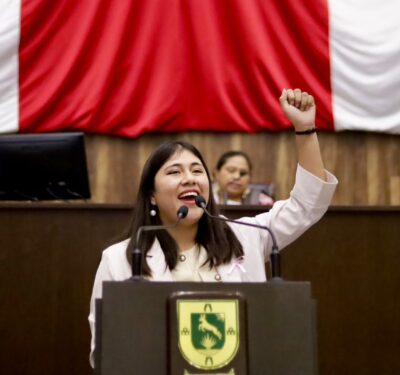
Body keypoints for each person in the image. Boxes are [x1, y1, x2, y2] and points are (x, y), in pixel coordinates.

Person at [88, 88, 338, 367]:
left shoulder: (247, 237)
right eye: (174, 172)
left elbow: (307, 205)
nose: (189, 179)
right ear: (152, 195)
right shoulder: (119, 259)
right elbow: (104, 350)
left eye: (197, 171)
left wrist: (305, 129)